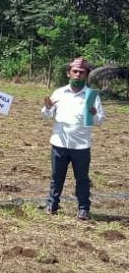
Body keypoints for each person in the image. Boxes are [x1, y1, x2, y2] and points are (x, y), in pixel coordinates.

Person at [42, 57, 105, 220]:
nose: (78, 75)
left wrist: (94, 114)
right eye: (75, 71)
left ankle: (83, 208)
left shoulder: (91, 96)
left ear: (87, 75)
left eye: (81, 72)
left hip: (81, 146)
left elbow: (100, 120)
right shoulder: (59, 93)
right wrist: (48, 108)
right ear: (68, 73)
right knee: (57, 177)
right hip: (59, 143)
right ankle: (52, 204)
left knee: (82, 179)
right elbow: (46, 115)